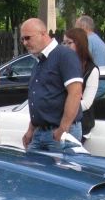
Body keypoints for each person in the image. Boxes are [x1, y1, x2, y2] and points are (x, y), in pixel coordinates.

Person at [19, 18, 83, 152]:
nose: (25, 43)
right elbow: (41, 96)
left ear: (43, 33)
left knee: (60, 173)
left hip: (60, 132)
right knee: (30, 172)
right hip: (40, 132)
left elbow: (75, 93)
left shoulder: (65, 55)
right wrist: (31, 129)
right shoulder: (39, 59)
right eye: (22, 39)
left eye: (27, 38)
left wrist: (62, 130)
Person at [63, 28, 99, 142]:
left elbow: (87, 103)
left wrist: (65, 109)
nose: (66, 46)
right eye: (64, 43)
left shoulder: (91, 69)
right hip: (60, 121)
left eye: (69, 43)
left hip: (80, 123)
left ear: (80, 44)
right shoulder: (64, 65)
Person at [75, 16, 105, 96]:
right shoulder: (96, 39)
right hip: (103, 84)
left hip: (96, 87)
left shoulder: (88, 41)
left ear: (84, 27)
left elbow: (82, 64)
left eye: (76, 28)